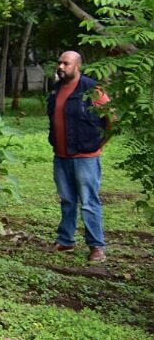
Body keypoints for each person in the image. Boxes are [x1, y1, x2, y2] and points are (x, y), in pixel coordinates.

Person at [47, 50, 111, 263]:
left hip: (85, 156)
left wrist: (99, 144)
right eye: (60, 63)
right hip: (61, 155)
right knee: (67, 200)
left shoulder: (92, 89)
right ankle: (66, 240)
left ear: (77, 66)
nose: (61, 67)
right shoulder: (56, 90)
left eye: (66, 63)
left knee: (89, 202)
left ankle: (96, 246)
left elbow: (112, 120)